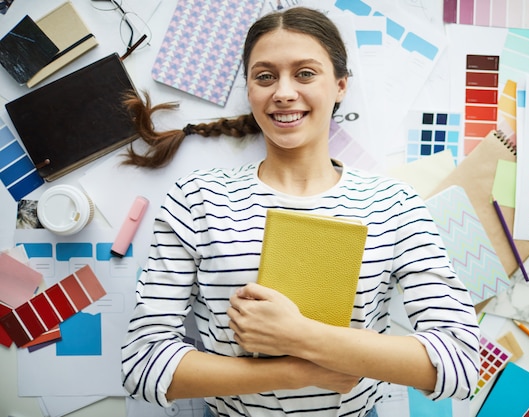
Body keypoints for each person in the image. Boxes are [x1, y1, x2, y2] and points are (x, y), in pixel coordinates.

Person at [120, 7, 479, 417]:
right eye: (265, 76)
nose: (283, 92)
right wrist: (297, 371)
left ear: (341, 85)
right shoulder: (198, 199)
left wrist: (301, 335)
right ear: (250, 88)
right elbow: (142, 364)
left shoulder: (393, 205)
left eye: (305, 73)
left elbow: (462, 362)